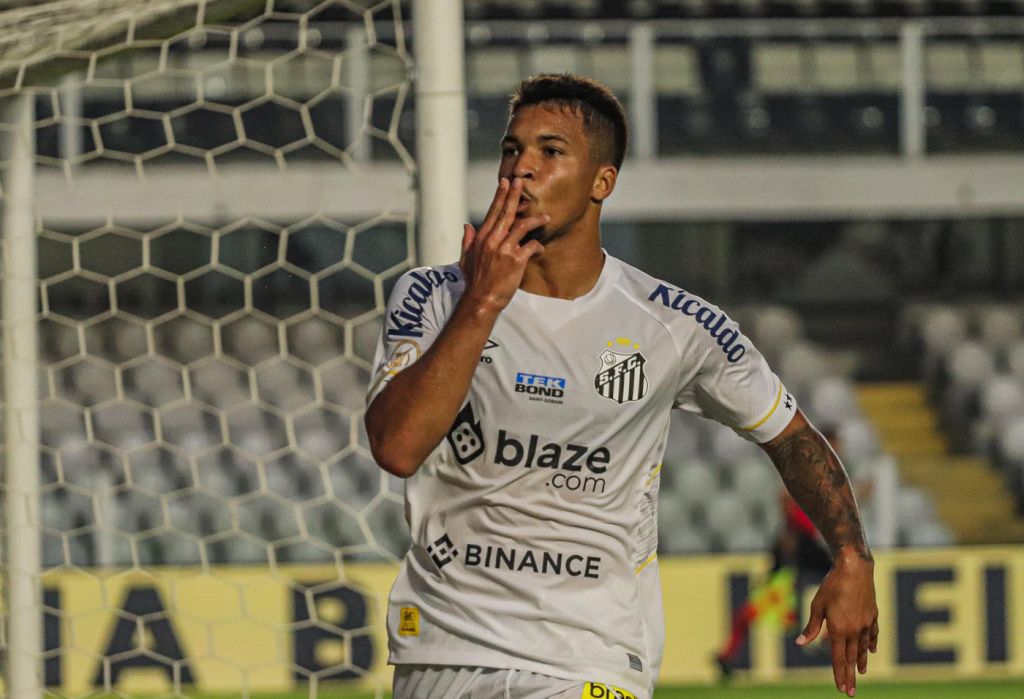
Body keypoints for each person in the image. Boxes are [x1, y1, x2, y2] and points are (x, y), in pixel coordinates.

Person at [365, 74, 877, 699]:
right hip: (441, 647)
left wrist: (852, 555)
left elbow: (792, 436)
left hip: (588, 653)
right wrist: (484, 301)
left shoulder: (674, 323)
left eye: (550, 152)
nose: (520, 169)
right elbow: (396, 447)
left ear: (601, 182)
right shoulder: (434, 294)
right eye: (510, 150)